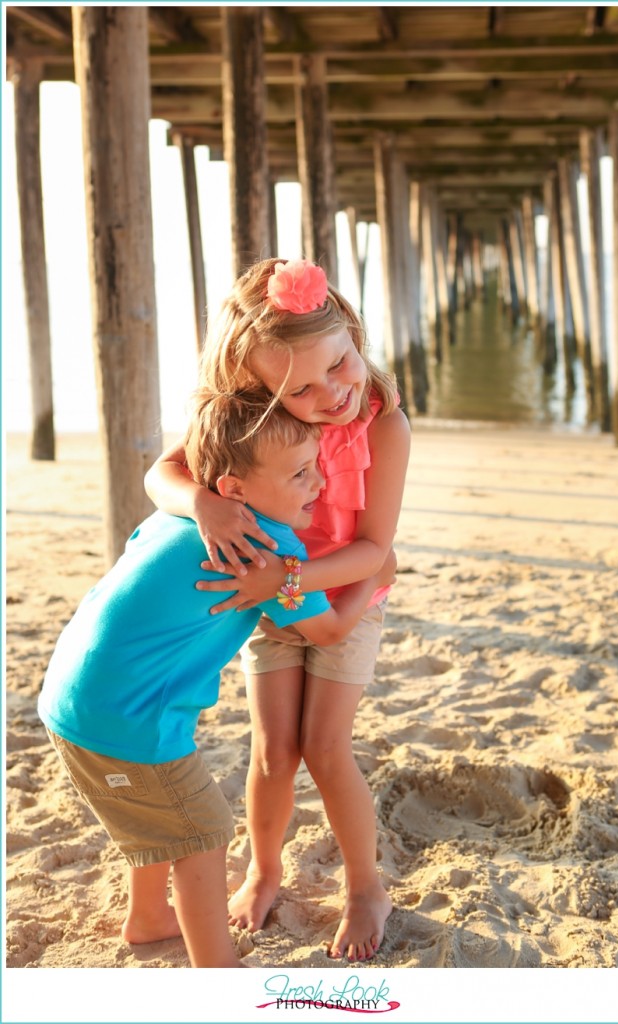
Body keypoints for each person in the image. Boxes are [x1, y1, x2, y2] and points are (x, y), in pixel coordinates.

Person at [38, 388, 396, 969]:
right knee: (200, 830)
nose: (320, 485)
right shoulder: (261, 545)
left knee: (160, 816)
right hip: (131, 719)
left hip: (71, 696)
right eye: (302, 474)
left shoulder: (177, 514)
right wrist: (375, 570)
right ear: (235, 490)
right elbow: (328, 631)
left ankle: (150, 916)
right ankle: (218, 972)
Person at [145, 257, 411, 962]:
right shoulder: (255, 419)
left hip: (342, 593)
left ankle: (364, 887)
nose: (331, 393)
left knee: (325, 748)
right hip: (270, 604)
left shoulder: (384, 427)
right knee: (272, 751)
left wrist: (286, 578)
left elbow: (376, 551)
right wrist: (205, 503)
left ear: (353, 333)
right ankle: (264, 870)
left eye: (341, 364)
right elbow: (161, 473)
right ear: (259, 391)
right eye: (301, 389)